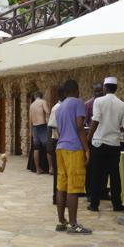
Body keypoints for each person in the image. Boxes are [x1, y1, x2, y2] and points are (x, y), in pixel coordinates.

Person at [88, 76, 124, 212]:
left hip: (99, 143)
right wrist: (114, 126)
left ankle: (94, 204)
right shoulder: (123, 105)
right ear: (116, 88)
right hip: (114, 144)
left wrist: (88, 138)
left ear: (105, 88)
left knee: (97, 175)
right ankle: (116, 204)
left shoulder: (98, 101)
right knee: (114, 175)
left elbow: (95, 121)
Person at [55, 79, 92, 234]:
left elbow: (59, 129)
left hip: (60, 148)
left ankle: (61, 221)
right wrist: (86, 148)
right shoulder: (78, 102)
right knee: (74, 186)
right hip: (74, 149)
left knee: (61, 185)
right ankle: (73, 224)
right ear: (76, 90)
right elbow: (79, 127)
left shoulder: (59, 107)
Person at [47, 86, 64, 205]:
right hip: (57, 141)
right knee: (58, 171)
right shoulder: (56, 108)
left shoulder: (66, 107)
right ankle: (56, 196)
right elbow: (51, 126)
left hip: (64, 142)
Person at [29, 91, 50, 175]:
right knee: (47, 147)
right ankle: (51, 168)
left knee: (36, 148)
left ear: (35, 97)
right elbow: (47, 111)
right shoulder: (42, 102)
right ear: (41, 96)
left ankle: (38, 169)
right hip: (42, 126)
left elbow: (30, 119)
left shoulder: (31, 105)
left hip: (35, 127)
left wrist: (31, 131)